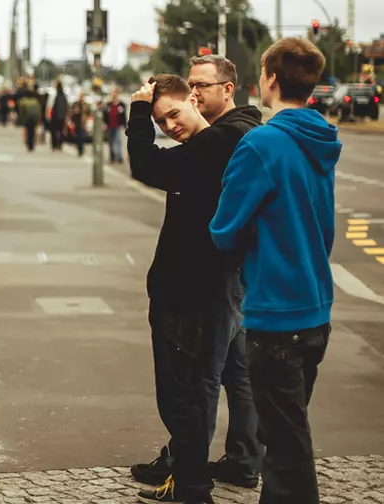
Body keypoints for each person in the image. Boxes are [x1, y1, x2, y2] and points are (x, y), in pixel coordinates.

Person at [209, 37, 341, 504]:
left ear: (269, 79)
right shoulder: (322, 138)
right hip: (315, 311)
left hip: (274, 315)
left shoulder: (261, 144)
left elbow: (224, 230)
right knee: (284, 433)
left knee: (286, 450)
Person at [126, 72, 263, 504]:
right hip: (204, 288)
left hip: (191, 294)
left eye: (173, 114)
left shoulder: (215, 145)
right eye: (161, 121)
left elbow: (144, 164)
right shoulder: (215, 144)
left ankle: (191, 487)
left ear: (193, 100)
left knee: (184, 394)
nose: (169, 126)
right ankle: (204, 477)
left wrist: (136, 111)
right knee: (210, 382)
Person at [17, 87, 42, 152]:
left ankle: (29, 144)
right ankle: (32, 144)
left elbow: (21, 112)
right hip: (34, 118)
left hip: (27, 119)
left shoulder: (23, 101)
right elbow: (39, 111)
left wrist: (20, 120)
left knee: (28, 132)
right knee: (32, 131)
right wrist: (39, 119)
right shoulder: (35, 101)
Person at [105, 90, 127, 163]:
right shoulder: (108, 105)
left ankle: (119, 157)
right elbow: (105, 115)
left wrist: (124, 125)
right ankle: (112, 157)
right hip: (109, 126)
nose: (114, 97)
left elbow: (124, 116)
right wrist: (104, 124)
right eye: (113, 95)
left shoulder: (121, 105)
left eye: (115, 95)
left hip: (117, 126)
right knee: (110, 142)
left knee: (118, 141)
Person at [49, 81, 68, 151]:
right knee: (61, 131)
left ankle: (54, 145)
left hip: (56, 116)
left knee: (54, 131)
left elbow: (51, 106)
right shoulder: (64, 96)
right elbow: (66, 107)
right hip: (62, 117)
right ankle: (60, 144)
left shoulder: (55, 95)